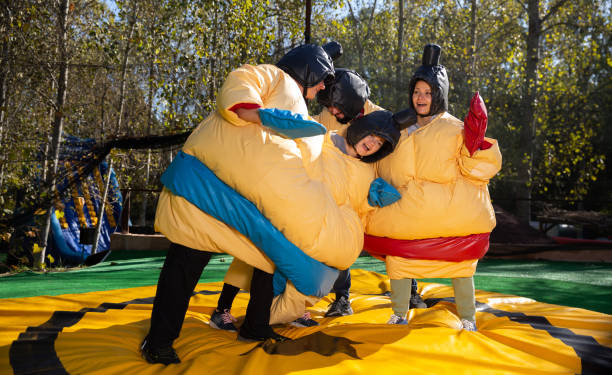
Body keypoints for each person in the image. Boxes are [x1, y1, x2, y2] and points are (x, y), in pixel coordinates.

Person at [140, 43, 335, 365]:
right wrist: (250, 110)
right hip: (210, 189)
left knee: (265, 263)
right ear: (308, 68)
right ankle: (159, 340)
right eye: (322, 77)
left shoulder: (302, 112)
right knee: (185, 264)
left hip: (253, 205)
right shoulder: (274, 76)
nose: (324, 86)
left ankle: (256, 327)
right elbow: (242, 79)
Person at [210, 109, 408, 331]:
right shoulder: (324, 139)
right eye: (373, 135)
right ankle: (222, 308)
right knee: (254, 256)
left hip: (321, 231)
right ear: (362, 128)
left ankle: (289, 310)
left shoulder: (365, 170)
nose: (373, 143)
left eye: (380, 143)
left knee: (304, 269)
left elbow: (355, 205)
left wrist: (374, 198)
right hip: (292, 211)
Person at [363, 44, 502, 330]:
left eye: (427, 92)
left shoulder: (455, 129)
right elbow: (383, 164)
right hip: (407, 218)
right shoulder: (398, 129)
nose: (421, 98)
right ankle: (399, 312)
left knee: (461, 268)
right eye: (417, 92)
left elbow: (479, 167)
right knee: (400, 263)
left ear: (439, 94)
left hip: (447, 218)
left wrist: (478, 142)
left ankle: (467, 317)